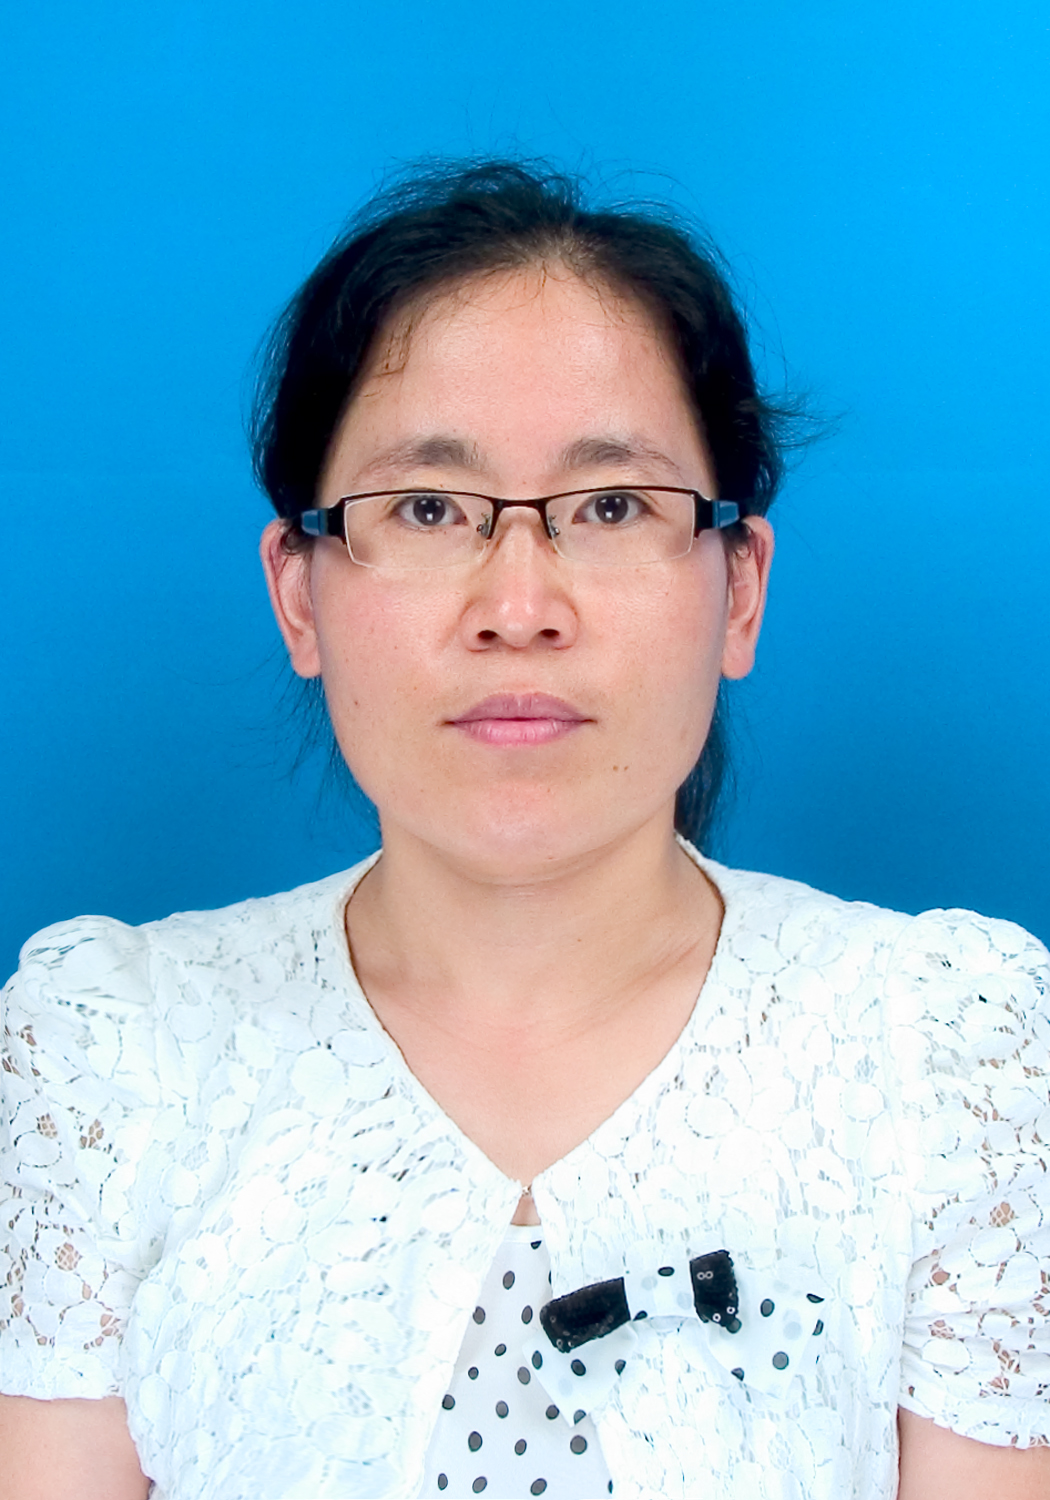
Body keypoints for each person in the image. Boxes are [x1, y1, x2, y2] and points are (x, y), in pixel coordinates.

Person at [1, 161, 1048, 1500]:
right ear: (299, 594)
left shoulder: (944, 1054)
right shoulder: (112, 1057)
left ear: (739, 590)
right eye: (428, 508)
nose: (517, 606)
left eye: (609, 507)